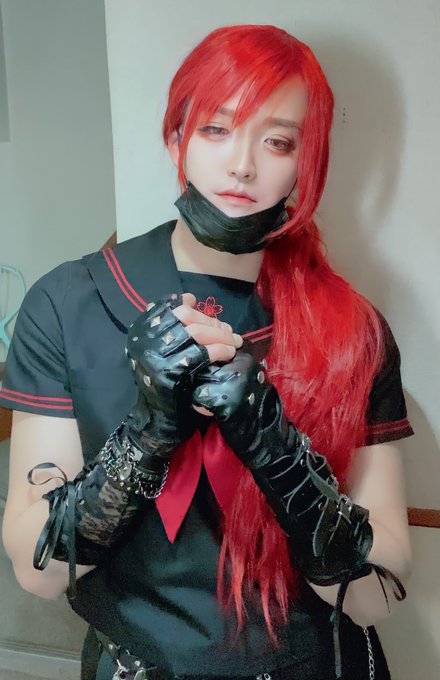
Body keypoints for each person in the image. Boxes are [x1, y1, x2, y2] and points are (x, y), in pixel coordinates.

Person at [0, 24, 413, 680]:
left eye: (277, 140)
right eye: (216, 129)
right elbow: (39, 573)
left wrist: (279, 453)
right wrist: (147, 433)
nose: (242, 164)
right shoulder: (68, 304)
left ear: (306, 161)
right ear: (176, 138)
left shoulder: (353, 330)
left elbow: (373, 598)